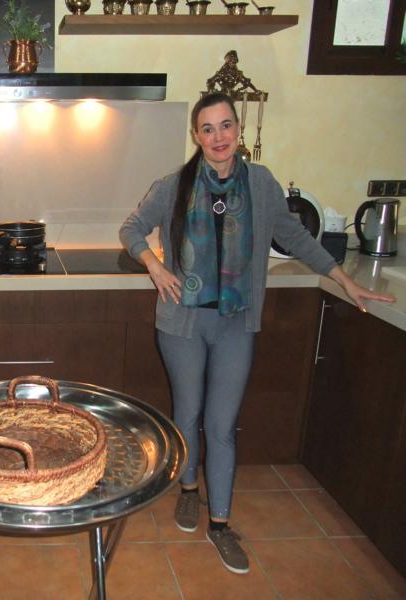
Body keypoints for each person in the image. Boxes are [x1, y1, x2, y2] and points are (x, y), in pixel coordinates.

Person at [119, 92, 395, 575]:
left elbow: (294, 236)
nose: (218, 136)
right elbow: (132, 229)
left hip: (235, 322)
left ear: (238, 129)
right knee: (188, 412)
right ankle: (189, 491)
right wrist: (155, 266)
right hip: (182, 322)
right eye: (208, 128)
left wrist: (343, 278)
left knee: (222, 425)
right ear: (196, 135)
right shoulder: (175, 185)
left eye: (226, 125)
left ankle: (221, 524)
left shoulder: (261, 184)